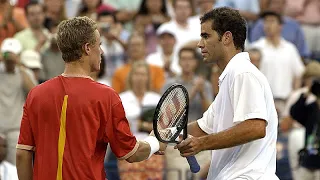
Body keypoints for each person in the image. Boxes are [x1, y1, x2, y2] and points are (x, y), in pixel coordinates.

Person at [15, 16, 166, 180]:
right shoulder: (106, 96)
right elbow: (131, 153)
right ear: (87, 48)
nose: (101, 51)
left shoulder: (36, 95)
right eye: (99, 45)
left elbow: (23, 154)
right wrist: (156, 141)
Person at [175, 7, 279, 179]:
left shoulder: (242, 73)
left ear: (227, 37)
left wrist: (201, 144)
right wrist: (161, 136)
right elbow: (202, 128)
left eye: (206, 36)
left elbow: (256, 127)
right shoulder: (231, 76)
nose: (200, 44)